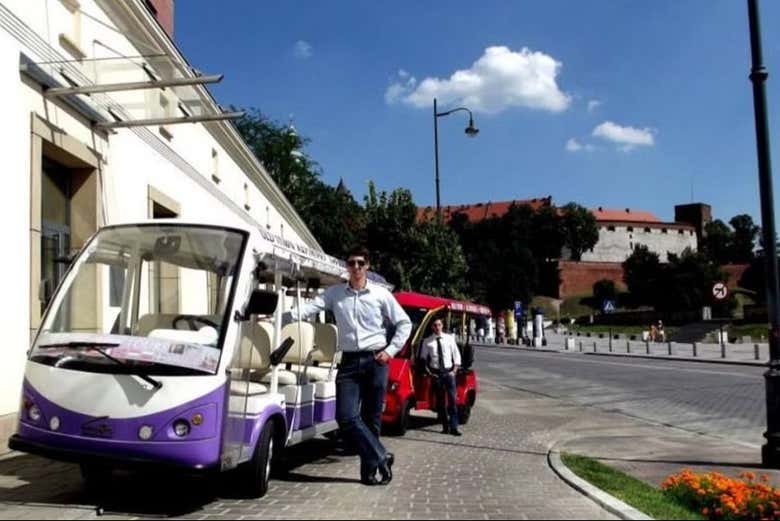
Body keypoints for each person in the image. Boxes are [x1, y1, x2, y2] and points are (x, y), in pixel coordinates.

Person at [285, 246, 411, 486]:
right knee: (345, 417)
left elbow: (404, 323)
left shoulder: (381, 295)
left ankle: (369, 473)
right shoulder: (335, 294)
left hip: (376, 361)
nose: (356, 267)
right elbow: (308, 308)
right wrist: (281, 317)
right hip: (350, 362)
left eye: (360, 263)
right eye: (351, 263)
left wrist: (390, 351)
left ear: (367, 266)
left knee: (372, 418)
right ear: (347, 266)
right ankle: (381, 455)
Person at [420, 318, 462, 436]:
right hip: (436, 374)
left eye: (439, 325)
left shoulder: (449, 339)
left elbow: (456, 354)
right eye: (435, 325)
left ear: (442, 326)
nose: (437, 327)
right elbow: (423, 359)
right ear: (432, 327)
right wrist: (430, 373)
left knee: (453, 400)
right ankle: (445, 427)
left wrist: (454, 370)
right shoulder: (427, 341)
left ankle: (454, 427)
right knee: (440, 402)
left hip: (449, 373)